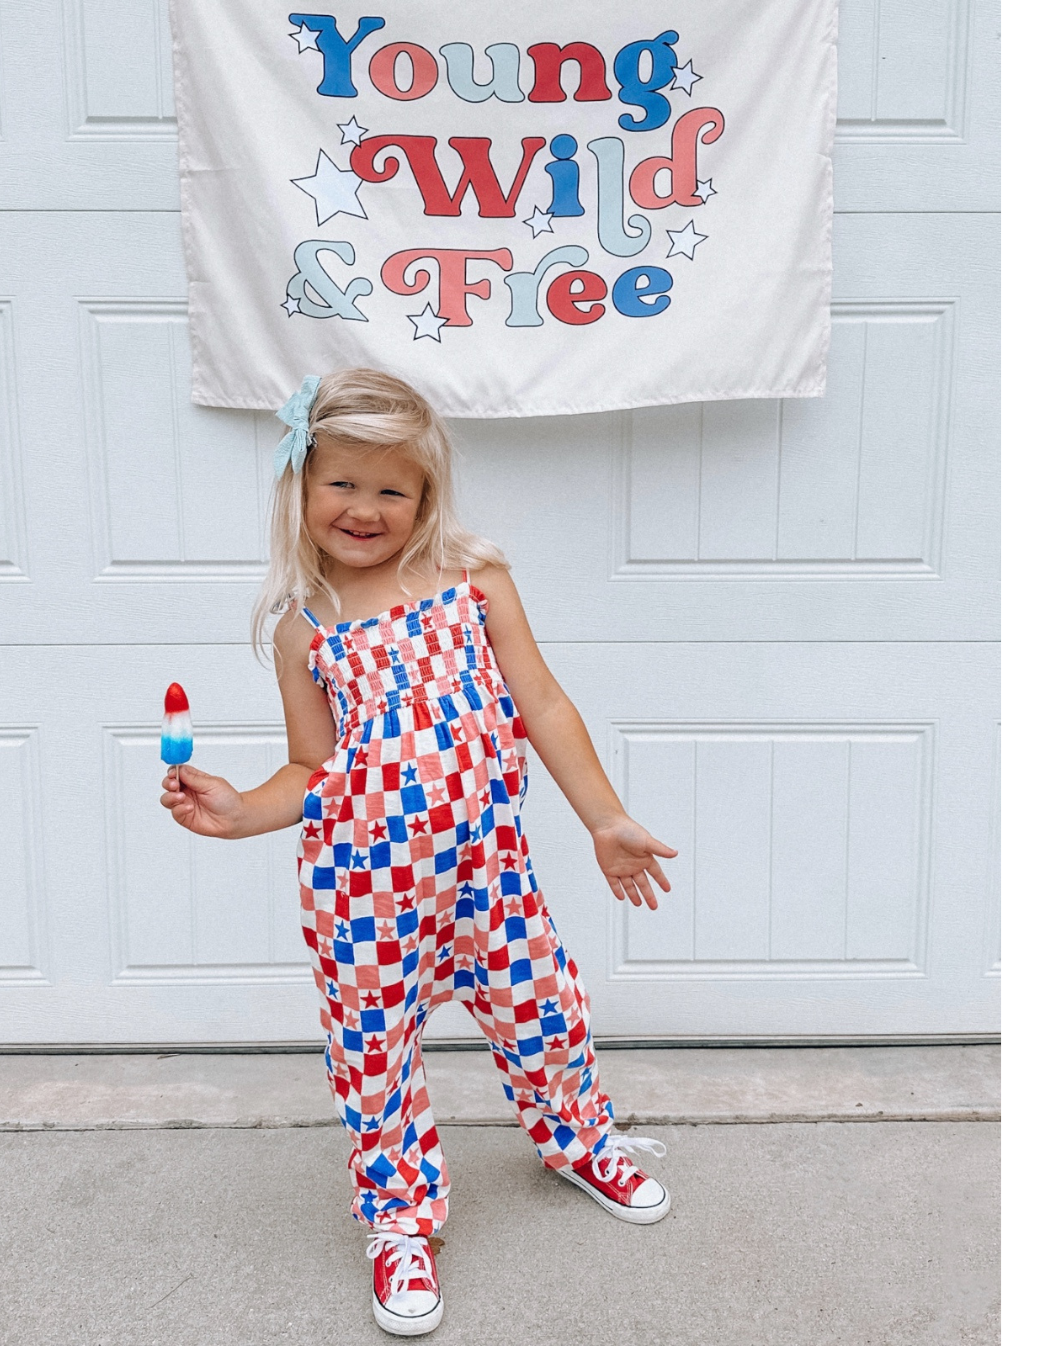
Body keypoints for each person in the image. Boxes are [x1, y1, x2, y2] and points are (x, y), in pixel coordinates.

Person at [160, 369, 679, 1337]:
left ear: (426, 493)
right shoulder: (303, 628)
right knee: (375, 1057)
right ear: (300, 485)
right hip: (361, 888)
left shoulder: (474, 582)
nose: (363, 508)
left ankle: (576, 1135)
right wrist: (235, 810)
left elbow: (543, 704)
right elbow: (312, 768)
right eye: (341, 483)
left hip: (488, 875)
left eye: (390, 488)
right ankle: (399, 1219)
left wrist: (602, 816)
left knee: (543, 1010)